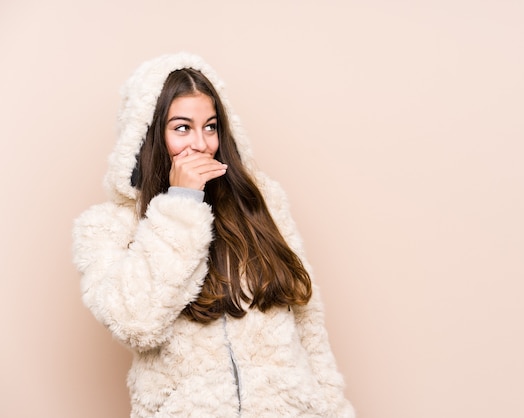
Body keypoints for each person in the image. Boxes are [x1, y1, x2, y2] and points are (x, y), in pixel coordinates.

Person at [72, 52, 355, 418]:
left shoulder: (261, 203)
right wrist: (182, 203)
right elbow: (136, 322)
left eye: (210, 126)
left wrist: (334, 410)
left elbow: (309, 327)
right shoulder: (107, 228)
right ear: (148, 136)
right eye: (182, 128)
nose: (202, 144)